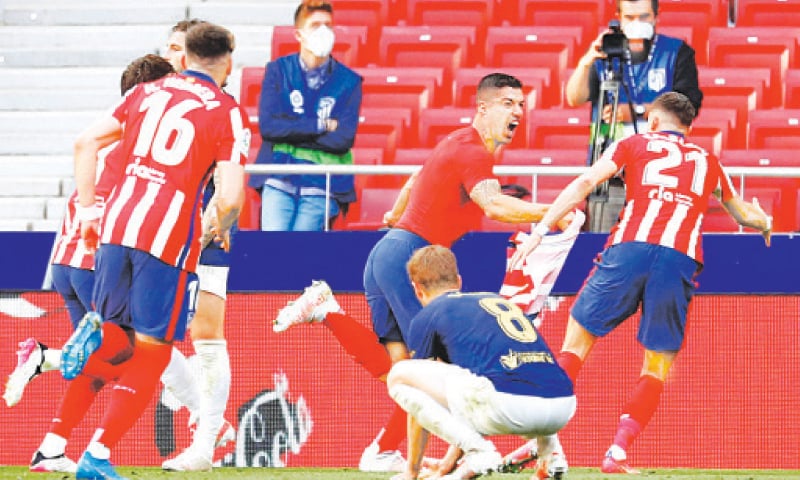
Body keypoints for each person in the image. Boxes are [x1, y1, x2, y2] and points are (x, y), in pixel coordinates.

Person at [272, 73, 572, 473]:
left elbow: (415, 179)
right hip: (413, 259)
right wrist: (555, 212)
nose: (517, 111)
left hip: (388, 253)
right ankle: (448, 458)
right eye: (507, 103)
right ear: (482, 108)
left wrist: (396, 214)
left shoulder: (458, 141)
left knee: (399, 370)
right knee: (435, 372)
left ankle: (330, 316)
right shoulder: (475, 153)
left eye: (521, 104)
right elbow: (496, 207)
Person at [509, 92, 772, 474]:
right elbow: (743, 213)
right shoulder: (708, 160)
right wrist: (765, 223)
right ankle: (617, 452)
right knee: (656, 365)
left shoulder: (633, 143)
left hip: (629, 247)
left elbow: (586, 181)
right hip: (679, 258)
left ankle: (541, 439)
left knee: (577, 340)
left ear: (652, 122)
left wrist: (541, 230)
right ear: (689, 128)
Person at [49, 22, 247, 479]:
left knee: (121, 338)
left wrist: (89, 213)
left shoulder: (146, 91)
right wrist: (217, 226)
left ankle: (85, 344)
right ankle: (97, 455)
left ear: (186, 56)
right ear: (227, 62)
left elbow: (85, 143)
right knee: (155, 350)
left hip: (116, 225)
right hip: (169, 239)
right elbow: (231, 195)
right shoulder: (227, 111)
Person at [10, 54, 174, 474]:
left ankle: (51, 447)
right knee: (136, 355)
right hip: (99, 257)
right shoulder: (141, 138)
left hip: (66, 259)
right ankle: (46, 358)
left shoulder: (109, 131)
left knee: (103, 363)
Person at [387, 245, 576, 480]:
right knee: (516, 374)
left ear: (417, 290)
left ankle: (479, 453)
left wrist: (411, 472)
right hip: (563, 407)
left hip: (510, 407)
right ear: (458, 280)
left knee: (400, 374)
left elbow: (421, 403)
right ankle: (551, 453)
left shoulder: (428, 316)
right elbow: (468, 398)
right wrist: (448, 464)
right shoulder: (496, 300)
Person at [158, 18, 237, 472]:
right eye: (168, 47)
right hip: (158, 228)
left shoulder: (222, 106)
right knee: (146, 331)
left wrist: (219, 217)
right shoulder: (148, 99)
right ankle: (211, 421)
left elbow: (231, 180)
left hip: (208, 226)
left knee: (206, 333)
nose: (173, 55)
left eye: (179, 48)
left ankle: (205, 444)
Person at [565, 0, 703, 232]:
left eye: (644, 17)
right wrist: (587, 60)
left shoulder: (677, 52)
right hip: (610, 176)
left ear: (656, 17)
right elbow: (574, 98)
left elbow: (689, 105)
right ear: (618, 16)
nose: (637, 23)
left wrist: (636, 111)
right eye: (630, 18)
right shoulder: (605, 54)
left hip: (661, 175)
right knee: (603, 248)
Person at [248, 0, 361, 231]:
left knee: (300, 252)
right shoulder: (278, 71)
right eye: (315, 25)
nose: (323, 31)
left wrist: (291, 129)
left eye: (328, 25)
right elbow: (269, 128)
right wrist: (320, 125)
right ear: (299, 34)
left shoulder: (350, 81)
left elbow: (343, 139)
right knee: (275, 247)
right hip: (279, 176)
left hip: (323, 183)